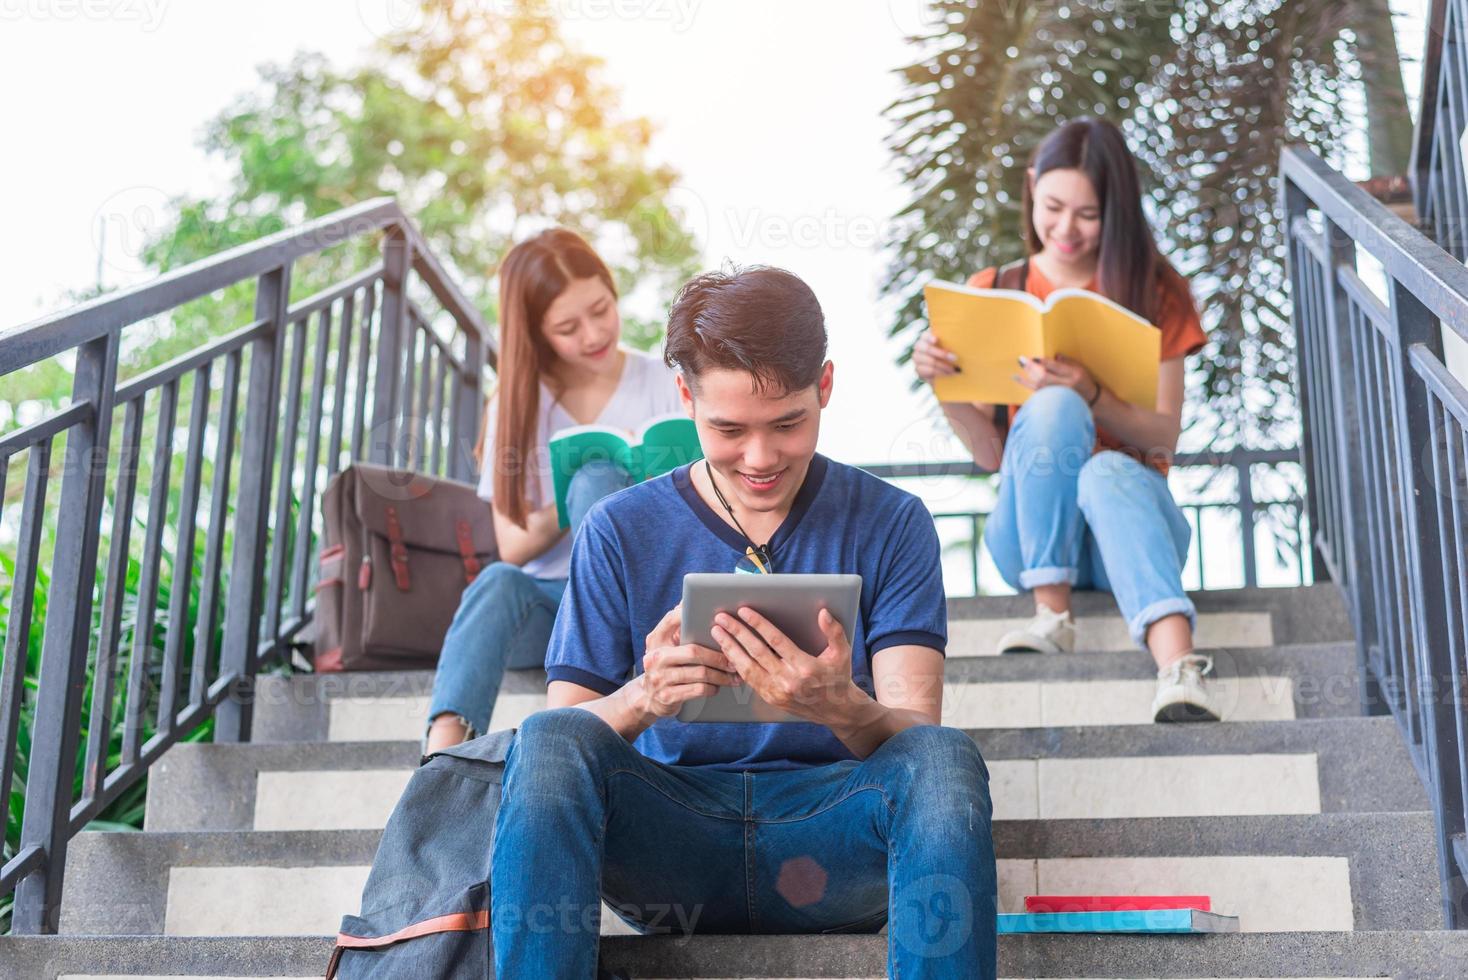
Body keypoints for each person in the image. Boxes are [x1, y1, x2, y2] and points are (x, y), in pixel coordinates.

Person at [490, 267, 997, 978]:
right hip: (669, 844)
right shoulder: (618, 530)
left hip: (836, 837)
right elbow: (567, 738)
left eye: (788, 424)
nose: (759, 460)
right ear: (684, 397)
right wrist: (646, 696)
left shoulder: (893, 521)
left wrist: (840, 706)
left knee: (945, 756)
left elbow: (918, 735)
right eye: (728, 429)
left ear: (824, 387)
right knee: (544, 740)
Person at [913, 117, 1216, 722]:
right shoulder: (994, 289)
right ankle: (1051, 613)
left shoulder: (1155, 290)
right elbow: (993, 458)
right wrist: (943, 384)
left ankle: (1179, 671)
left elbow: (1163, 438)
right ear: (1031, 190)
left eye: (1088, 213)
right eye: (1053, 207)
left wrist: (1092, 393)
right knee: (1049, 407)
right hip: (1028, 542)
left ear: (1117, 210)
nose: (1066, 229)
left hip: (1125, 532)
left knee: (1105, 470)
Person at [423, 228, 681, 753]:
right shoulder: (518, 405)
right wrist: (578, 486)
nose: (592, 334)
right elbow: (512, 546)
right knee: (498, 580)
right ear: (539, 334)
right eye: (567, 327)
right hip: (553, 611)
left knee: (603, 484)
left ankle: (600, 716)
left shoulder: (662, 381)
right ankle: (440, 755)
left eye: (601, 309)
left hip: (647, 604)